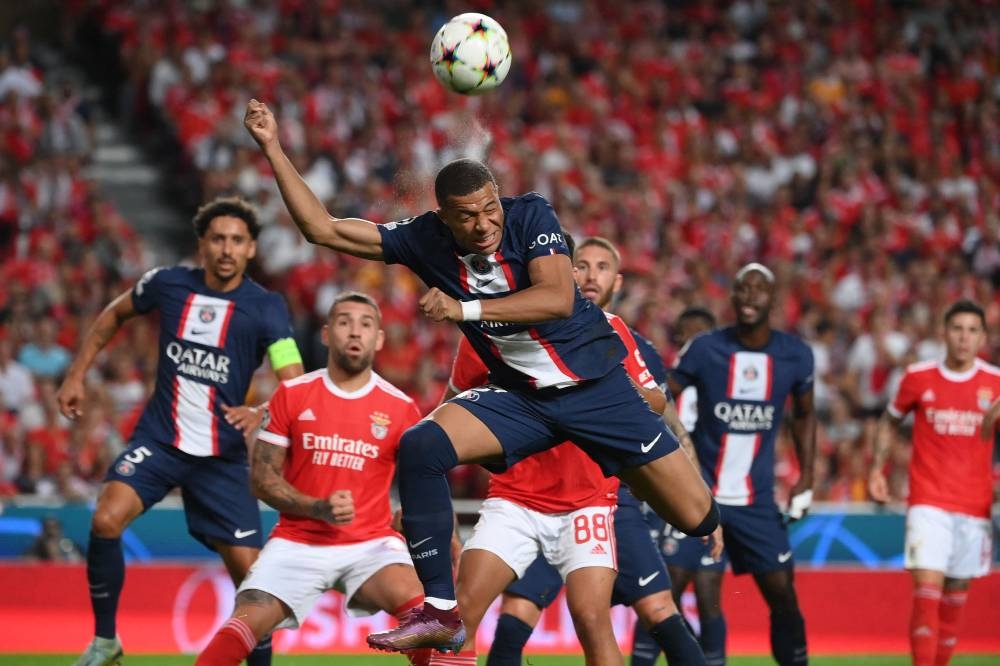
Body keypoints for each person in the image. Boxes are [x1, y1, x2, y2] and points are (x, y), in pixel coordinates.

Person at [244, 99, 718, 654]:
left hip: (597, 390)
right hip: (524, 399)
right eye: (468, 215)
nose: (486, 223)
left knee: (697, 516)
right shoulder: (423, 240)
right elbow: (321, 228)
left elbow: (557, 297)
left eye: (490, 208)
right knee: (421, 446)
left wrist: (463, 310)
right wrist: (272, 146)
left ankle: (631, 471)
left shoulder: (531, 214)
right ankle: (442, 610)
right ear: (444, 217)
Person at [57, 197, 305, 666]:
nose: (226, 249)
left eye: (236, 240)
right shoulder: (168, 284)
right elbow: (113, 314)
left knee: (254, 588)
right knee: (106, 518)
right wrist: (76, 374)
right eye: (218, 239)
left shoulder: (266, 307)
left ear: (251, 248)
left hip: (222, 458)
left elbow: (296, 379)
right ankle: (106, 641)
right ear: (203, 245)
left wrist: (263, 409)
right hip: (161, 441)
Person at [482, 237, 711, 666]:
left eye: (601, 267)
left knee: (657, 608)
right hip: (540, 496)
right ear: (565, 273)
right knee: (516, 614)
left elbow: (670, 425)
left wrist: (696, 501)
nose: (590, 275)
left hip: (611, 499)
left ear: (617, 280)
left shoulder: (634, 344)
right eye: (581, 265)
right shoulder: (526, 331)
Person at [197, 291, 433, 666]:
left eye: (366, 324)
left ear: (379, 339)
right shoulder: (292, 393)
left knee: (428, 622)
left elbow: (426, 486)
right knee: (248, 616)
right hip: (298, 539)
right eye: (344, 322)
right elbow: (262, 479)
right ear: (326, 334)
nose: (355, 331)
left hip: (370, 543)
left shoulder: (401, 408)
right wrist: (317, 507)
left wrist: (434, 527)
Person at [666, 263, 815, 666]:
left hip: (756, 503)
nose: (750, 296)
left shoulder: (795, 355)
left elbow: (804, 415)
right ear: (731, 297)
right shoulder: (706, 349)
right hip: (700, 498)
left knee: (783, 596)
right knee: (663, 596)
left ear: (773, 299)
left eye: (759, 289)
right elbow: (661, 394)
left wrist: (808, 477)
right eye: (742, 289)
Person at [868, 300, 1000, 666]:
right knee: (927, 590)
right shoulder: (918, 377)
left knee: (955, 599)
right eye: (957, 328)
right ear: (944, 333)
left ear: (983, 338)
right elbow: (888, 420)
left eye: (972, 330)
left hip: (974, 506)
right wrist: (877, 469)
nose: (964, 337)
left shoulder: (995, 384)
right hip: (928, 502)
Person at [637, 305, 726, 666]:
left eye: (702, 336)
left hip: (712, 497)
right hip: (669, 499)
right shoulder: (662, 390)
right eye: (688, 337)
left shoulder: (720, 389)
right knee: (664, 589)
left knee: (708, 593)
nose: (695, 344)